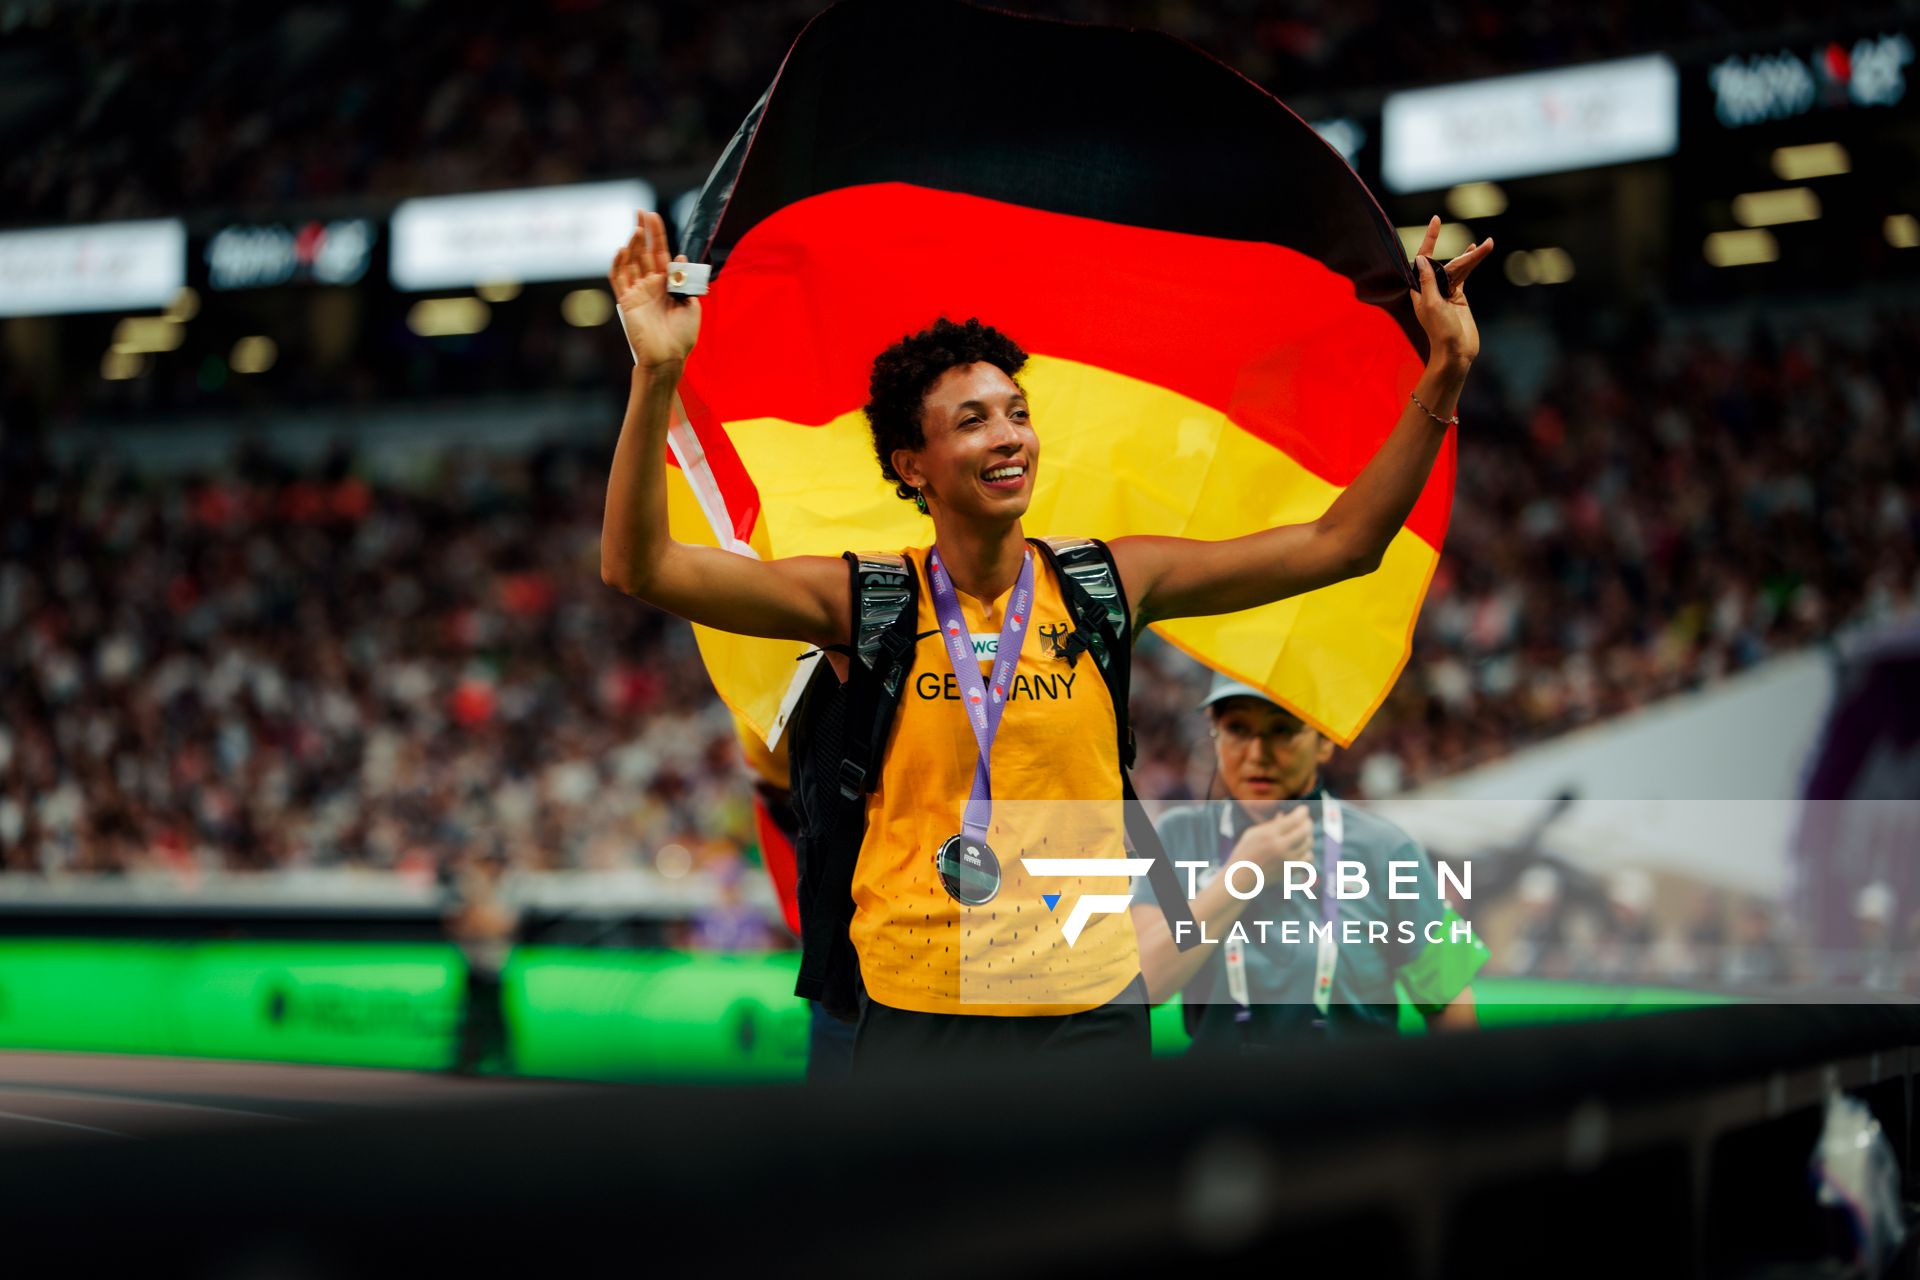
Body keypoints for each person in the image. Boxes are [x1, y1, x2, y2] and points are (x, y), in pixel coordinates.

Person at [600, 209, 1490, 1066]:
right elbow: (644, 568)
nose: (1009, 437)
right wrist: (656, 374)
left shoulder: (1106, 585)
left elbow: (1342, 544)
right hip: (919, 1012)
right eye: (973, 420)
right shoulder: (865, 598)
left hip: (1090, 1013)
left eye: (1016, 412)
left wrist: (1443, 373)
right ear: (911, 466)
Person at [1131, 673, 1483, 1046]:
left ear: (1324, 742)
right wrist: (1242, 875)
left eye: (1282, 730)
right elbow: (1144, 986)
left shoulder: (1387, 848)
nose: (1256, 754)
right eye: (1237, 728)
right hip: (1223, 1100)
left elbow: (1451, 1006)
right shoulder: (1178, 834)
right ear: (1214, 734)